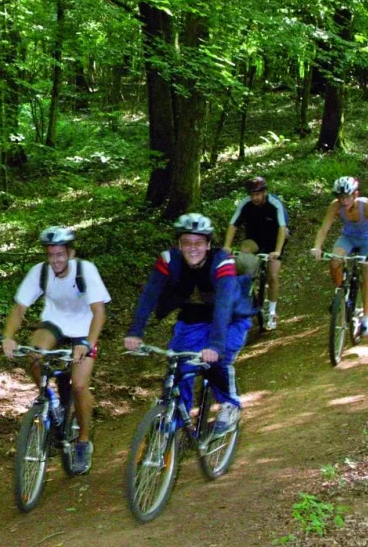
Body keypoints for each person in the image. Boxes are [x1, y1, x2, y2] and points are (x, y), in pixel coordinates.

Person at [122, 214, 253, 438]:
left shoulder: (222, 262)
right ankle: (175, 417)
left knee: (217, 361)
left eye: (199, 243)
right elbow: (149, 295)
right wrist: (136, 330)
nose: (193, 248)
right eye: (187, 243)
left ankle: (230, 406)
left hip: (231, 317)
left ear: (209, 244)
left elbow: (223, 306)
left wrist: (216, 346)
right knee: (179, 364)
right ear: (179, 244)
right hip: (194, 317)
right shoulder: (169, 260)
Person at [0, 226, 111, 475]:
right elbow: (19, 309)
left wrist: (87, 344)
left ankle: (83, 442)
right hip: (55, 323)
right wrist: (8, 336)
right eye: (50, 255)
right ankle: (51, 400)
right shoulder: (40, 273)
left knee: (80, 385)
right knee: (32, 355)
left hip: (84, 328)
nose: (55, 260)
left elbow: (99, 313)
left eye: (60, 254)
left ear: (70, 253)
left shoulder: (86, 271)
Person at [311, 176, 368, 338]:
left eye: (347, 197)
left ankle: (366, 318)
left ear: (355, 194)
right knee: (334, 261)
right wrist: (317, 247)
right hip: (348, 237)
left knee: (367, 268)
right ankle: (340, 293)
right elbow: (324, 229)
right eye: (340, 197)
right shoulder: (335, 206)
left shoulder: (366, 206)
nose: (343, 201)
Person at [224, 176, 289, 329]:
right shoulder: (245, 204)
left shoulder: (275, 204)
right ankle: (248, 287)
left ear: (265, 192)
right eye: (252, 194)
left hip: (275, 240)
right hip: (254, 239)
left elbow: (282, 228)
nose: (255, 198)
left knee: (272, 275)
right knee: (244, 253)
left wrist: (278, 251)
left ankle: (272, 312)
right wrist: (227, 246)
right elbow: (233, 225)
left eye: (258, 194)